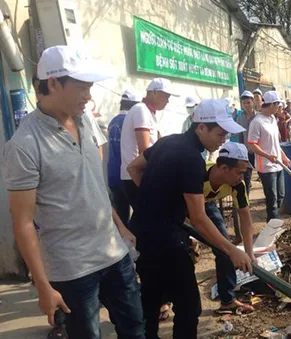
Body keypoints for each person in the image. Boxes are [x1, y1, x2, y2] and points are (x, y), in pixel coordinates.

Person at [1, 45, 145, 338]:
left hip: (113, 254)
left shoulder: (87, 120)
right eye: (81, 87)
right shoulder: (25, 145)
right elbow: (23, 223)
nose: (89, 95)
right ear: (53, 83)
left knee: (135, 329)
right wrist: (43, 286)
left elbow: (94, 186)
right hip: (72, 269)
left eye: (89, 87)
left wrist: (120, 227)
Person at [126, 99, 252, 339]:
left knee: (150, 303)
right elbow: (198, 218)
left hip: (142, 232)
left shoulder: (166, 142)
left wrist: (154, 199)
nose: (223, 139)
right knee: (189, 306)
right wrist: (230, 250)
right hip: (166, 240)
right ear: (201, 127)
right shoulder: (193, 160)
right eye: (220, 133)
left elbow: (134, 168)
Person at [202, 142, 256, 314]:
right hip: (179, 205)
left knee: (225, 250)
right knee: (175, 252)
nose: (242, 177)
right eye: (239, 172)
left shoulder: (237, 185)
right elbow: (194, 217)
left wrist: (249, 253)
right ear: (223, 167)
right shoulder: (198, 174)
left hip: (207, 204)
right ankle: (162, 300)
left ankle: (228, 300)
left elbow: (245, 218)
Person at [120, 78, 179, 209]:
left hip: (139, 172)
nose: (167, 101)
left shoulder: (148, 112)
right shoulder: (141, 110)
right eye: (165, 96)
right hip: (136, 174)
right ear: (154, 93)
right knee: (148, 218)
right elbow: (145, 150)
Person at [247, 91, 291, 222]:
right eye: (277, 104)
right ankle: (272, 226)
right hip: (266, 167)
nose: (279, 108)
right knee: (272, 199)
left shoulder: (273, 119)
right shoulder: (257, 122)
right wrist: (267, 155)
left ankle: (273, 220)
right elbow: (251, 145)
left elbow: (275, 143)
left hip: (278, 164)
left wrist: (283, 156)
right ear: (271, 104)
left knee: (281, 196)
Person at [108, 90, 142, 227]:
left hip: (113, 175)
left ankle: (125, 246)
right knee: (140, 214)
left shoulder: (113, 122)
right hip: (128, 176)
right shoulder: (129, 122)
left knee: (121, 217)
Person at [235, 90, 258, 194]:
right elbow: (239, 136)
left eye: (248, 102)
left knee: (264, 176)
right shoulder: (240, 118)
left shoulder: (258, 116)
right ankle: (246, 202)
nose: (246, 105)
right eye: (244, 103)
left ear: (252, 102)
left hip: (259, 152)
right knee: (246, 178)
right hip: (246, 153)